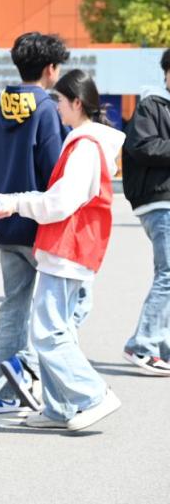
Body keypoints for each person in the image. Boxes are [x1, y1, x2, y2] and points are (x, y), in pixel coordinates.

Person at [0, 69, 124, 430]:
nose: (57, 107)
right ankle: (59, 407)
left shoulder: (84, 146)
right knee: (54, 329)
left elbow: (60, 202)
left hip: (68, 247)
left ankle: (93, 395)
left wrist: (16, 203)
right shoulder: (86, 142)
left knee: (48, 332)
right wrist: (18, 203)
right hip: (69, 248)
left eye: (61, 100)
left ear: (77, 103)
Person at [0, 32, 71, 414]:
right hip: (40, 224)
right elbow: (54, 169)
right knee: (59, 310)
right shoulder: (47, 109)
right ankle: (38, 377)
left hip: (5, 220)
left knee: (13, 306)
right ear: (50, 68)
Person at [122, 49, 170, 376]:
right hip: (159, 199)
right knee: (168, 274)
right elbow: (142, 146)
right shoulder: (151, 105)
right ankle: (143, 345)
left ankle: (160, 346)